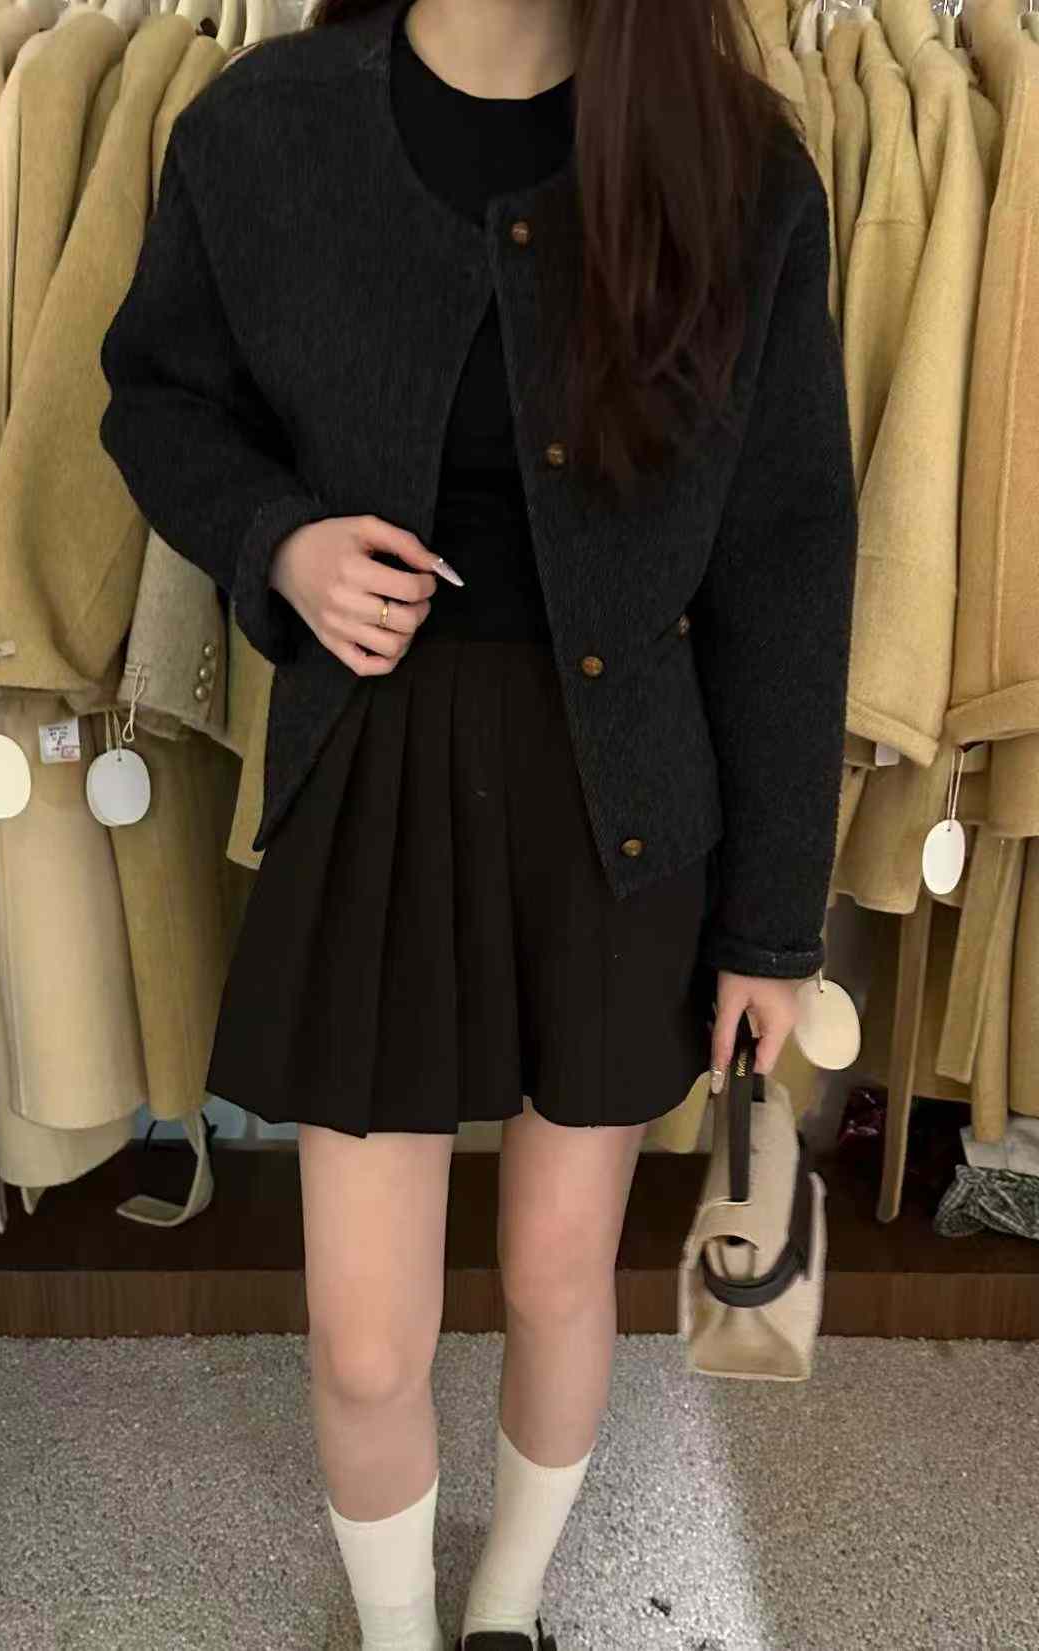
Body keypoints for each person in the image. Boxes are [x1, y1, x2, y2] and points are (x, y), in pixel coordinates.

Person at [98, 0, 857, 1645]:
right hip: (373, 776)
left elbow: (789, 558)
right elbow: (154, 397)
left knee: (558, 1273)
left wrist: (773, 925)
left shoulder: (740, 171)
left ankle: (508, 1612)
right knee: (367, 1340)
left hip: (623, 807)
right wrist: (279, 543)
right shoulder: (261, 131)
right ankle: (394, 1635)